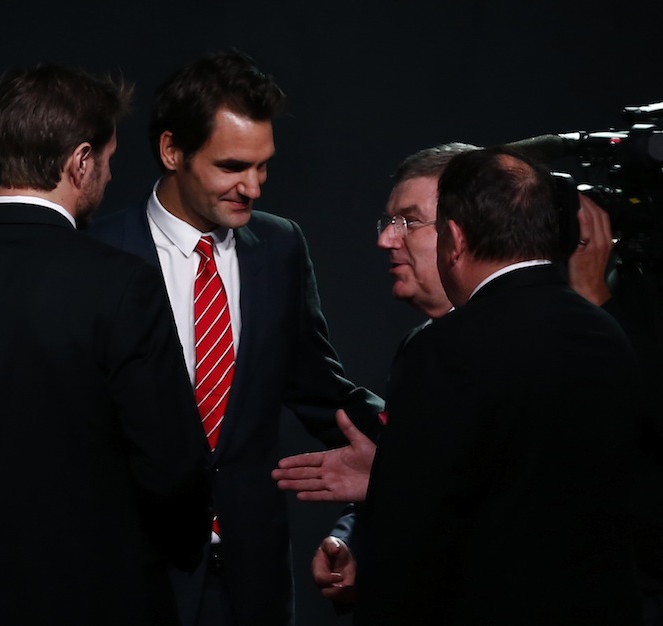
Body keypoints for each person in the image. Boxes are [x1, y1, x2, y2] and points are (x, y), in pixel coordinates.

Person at [0, 63, 211, 626]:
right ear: (80, 161)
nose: (110, 177)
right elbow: (173, 469)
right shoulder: (124, 286)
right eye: (109, 160)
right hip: (101, 598)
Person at [87, 48, 384, 626]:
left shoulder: (280, 247)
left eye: (262, 167)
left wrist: (421, 443)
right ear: (172, 151)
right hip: (130, 576)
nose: (253, 187)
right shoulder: (96, 253)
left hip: (251, 580)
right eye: (232, 167)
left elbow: (322, 387)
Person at [271, 142, 639, 606]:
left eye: (409, 221)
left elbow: (432, 527)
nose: (387, 239)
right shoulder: (604, 330)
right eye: (388, 222)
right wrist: (379, 492)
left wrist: (391, 493)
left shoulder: (445, 351)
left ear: (457, 232)